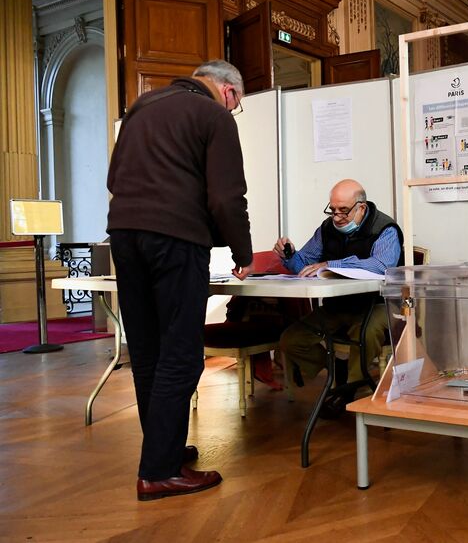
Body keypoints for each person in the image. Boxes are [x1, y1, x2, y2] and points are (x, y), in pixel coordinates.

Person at [107, 60, 254, 501]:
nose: (234, 111)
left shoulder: (142, 106)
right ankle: (159, 470)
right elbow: (227, 197)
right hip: (175, 238)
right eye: (238, 104)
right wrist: (242, 252)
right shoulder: (213, 115)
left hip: (124, 235)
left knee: (148, 350)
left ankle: (162, 449)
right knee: (182, 353)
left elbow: (115, 178)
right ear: (228, 91)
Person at [275, 179, 402, 417]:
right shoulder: (326, 229)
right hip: (338, 304)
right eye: (332, 210)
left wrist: (330, 264)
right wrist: (290, 256)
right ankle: (335, 368)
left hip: (375, 304)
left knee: (364, 333)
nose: (336, 217)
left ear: (361, 207)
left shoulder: (385, 229)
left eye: (343, 211)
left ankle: (348, 391)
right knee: (291, 340)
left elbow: (381, 265)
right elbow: (305, 263)